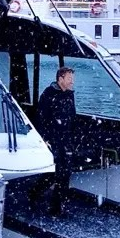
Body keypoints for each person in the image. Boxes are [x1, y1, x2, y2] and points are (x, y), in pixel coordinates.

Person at [35, 66, 76, 216]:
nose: (72, 81)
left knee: (65, 172)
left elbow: (72, 117)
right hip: (53, 138)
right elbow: (41, 118)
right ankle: (51, 203)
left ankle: (58, 205)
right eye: (69, 78)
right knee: (57, 172)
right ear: (61, 79)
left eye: (73, 78)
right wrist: (45, 138)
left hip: (66, 138)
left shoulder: (70, 95)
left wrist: (73, 138)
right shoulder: (49, 94)